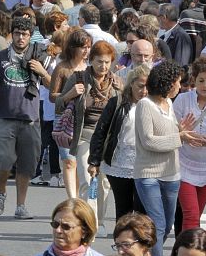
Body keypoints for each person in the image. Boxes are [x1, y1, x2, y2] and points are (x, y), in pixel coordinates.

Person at [134, 60, 206, 256]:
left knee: (167, 225)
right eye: (177, 82)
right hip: (148, 174)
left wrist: (183, 132)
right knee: (158, 223)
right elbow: (149, 140)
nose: (180, 86)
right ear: (167, 83)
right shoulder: (145, 104)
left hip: (172, 174)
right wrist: (180, 137)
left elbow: (172, 134)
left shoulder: (168, 103)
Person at [0, 15, 48, 219]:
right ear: (12, 35)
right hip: (5, 116)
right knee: (4, 161)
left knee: (27, 164)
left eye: (25, 34)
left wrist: (42, 71)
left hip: (30, 118)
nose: (21, 38)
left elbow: (53, 85)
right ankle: (1, 191)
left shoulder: (38, 57)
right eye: (18, 34)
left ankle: (21, 205)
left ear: (30, 36)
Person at [56, 40, 121, 235]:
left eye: (107, 62)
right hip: (84, 135)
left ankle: (99, 221)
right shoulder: (78, 78)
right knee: (86, 178)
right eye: (99, 61)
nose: (103, 66)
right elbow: (58, 105)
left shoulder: (117, 83)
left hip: (108, 139)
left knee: (104, 183)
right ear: (91, 60)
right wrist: (69, 95)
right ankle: (89, 223)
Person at [88, 64, 149, 220]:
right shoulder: (117, 102)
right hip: (119, 163)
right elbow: (101, 131)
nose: (144, 91)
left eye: (148, 86)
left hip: (145, 164)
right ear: (131, 84)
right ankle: (122, 242)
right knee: (124, 208)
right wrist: (94, 161)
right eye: (140, 86)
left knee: (142, 209)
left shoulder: (154, 104)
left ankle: (139, 242)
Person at [172, 58, 206, 231]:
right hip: (182, 163)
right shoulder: (182, 100)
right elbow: (171, 129)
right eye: (201, 81)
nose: (205, 85)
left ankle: (182, 251)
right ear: (194, 80)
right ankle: (186, 253)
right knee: (192, 214)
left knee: (195, 214)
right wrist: (183, 133)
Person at [48, 28, 92, 197]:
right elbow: (53, 96)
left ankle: (80, 197)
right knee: (68, 161)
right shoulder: (62, 68)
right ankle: (72, 199)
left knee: (80, 162)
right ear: (73, 47)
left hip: (84, 120)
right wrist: (69, 94)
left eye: (88, 46)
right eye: (83, 47)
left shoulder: (90, 68)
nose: (86, 50)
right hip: (64, 117)